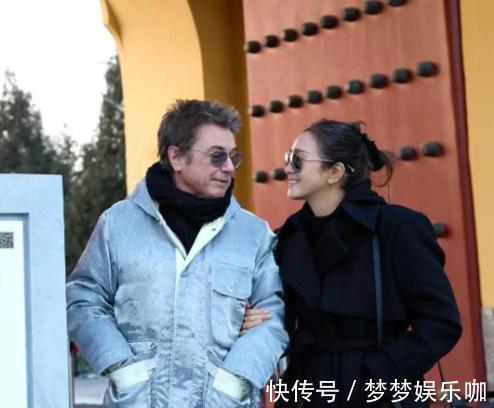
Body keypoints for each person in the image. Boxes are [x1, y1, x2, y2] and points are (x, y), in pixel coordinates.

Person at [66, 99, 288, 407]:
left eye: (233, 156)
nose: (228, 167)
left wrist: (233, 383)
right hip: (138, 401)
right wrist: (124, 371)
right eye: (217, 156)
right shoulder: (118, 224)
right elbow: (83, 300)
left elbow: (274, 317)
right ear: (176, 157)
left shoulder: (253, 234)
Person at [245, 119, 462, 407]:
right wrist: (256, 320)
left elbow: (441, 322)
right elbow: (283, 317)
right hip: (306, 392)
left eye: (298, 160)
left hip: (379, 393)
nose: (287, 168)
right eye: (288, 158)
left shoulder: (396, 227)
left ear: (335, 172)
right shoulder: (288, 237)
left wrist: (377, 373)